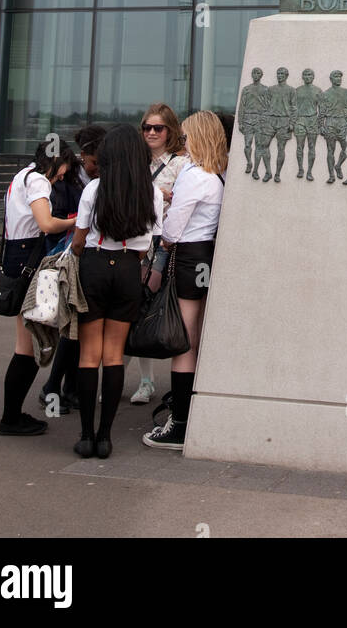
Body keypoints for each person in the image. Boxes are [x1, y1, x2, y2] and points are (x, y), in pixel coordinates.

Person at [71, 124, 162, 459]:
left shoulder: (95, 188)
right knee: (113, 356)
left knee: (88, 355)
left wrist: (87, 252)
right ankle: (106, 437)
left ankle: (85, 435)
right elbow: (148, 245)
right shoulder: (150, 192)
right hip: (127, 271)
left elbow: (79, 239)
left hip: (94, 266)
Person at [143, 110, 226, 451]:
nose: (184, 142)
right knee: (196, 336)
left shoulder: (193, 175)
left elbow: (174, 227)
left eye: (188, 136)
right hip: (207, 255)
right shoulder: (219, 174)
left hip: (188, 255)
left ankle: (179, 422)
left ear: (199, 138)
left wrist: (164, 241)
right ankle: (187, 412)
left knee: (184, 342)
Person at [0, 148, 74, 436]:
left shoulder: (21, 175)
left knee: (25, 344)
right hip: (28, 257)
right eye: (62, 171)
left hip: (15, 256)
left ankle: (12, 415)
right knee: (26, 346)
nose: (60, 178)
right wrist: (76, 223)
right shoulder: (39, 180)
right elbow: (46, 223)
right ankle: (11, 417)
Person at [131, 103, 189, 405]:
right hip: (137, 240)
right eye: (147, 127)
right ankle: (145, 379)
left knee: (154, 305)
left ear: (170, 131)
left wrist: (169, 196)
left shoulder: (182, 164)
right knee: (137, 306)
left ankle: (156, 378)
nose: (151, 133)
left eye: (158, 128)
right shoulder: (135, 162)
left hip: (165, 243)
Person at [38, 142, 85, 415]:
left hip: (55, 258)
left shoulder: (57, 185)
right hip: (66, 260)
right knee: (71, 327)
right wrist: (76, 222)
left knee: (68, 328)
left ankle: (62, 389)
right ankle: (60, 389)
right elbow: (48, 224)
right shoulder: (69, 186)